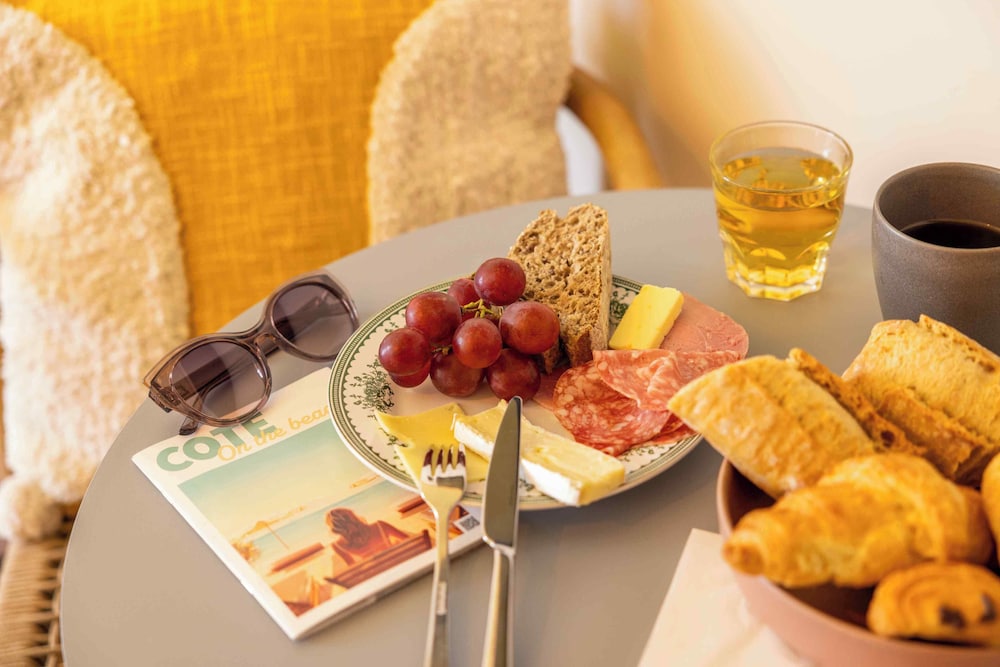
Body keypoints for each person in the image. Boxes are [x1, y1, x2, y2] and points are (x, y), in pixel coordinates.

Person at [325, 507, 410, 566]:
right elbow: (409, 540)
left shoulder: (338, 545)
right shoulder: (379, 526)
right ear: (354, 517)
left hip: (377, 573)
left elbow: (353, 567)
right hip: (399, 563)